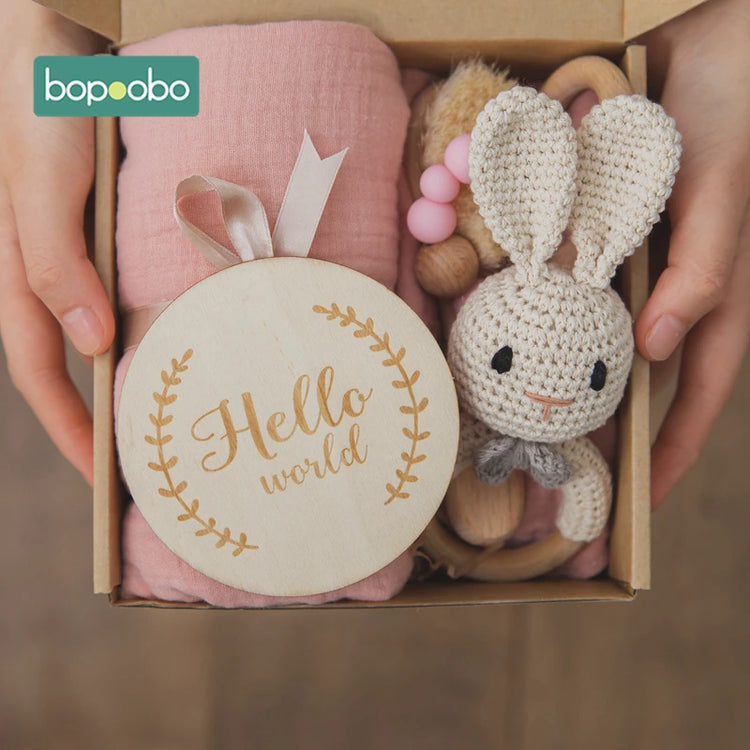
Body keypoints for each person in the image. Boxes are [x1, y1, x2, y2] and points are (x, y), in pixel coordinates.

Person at [1, 0, 748, 507]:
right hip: (170, 45)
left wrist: (721, 16)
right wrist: (51, 34)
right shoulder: (164, 75)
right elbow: (108, 78)